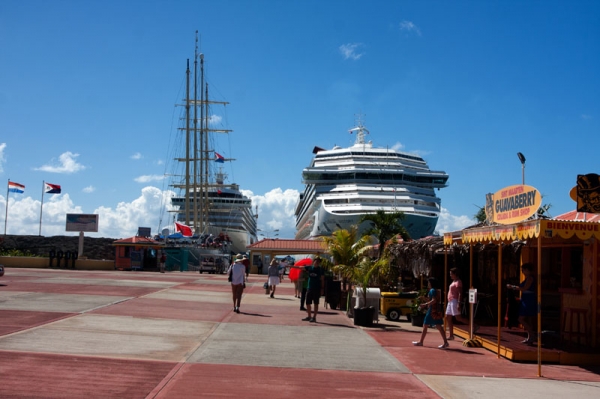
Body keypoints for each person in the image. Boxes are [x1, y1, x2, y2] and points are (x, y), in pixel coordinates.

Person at [413, 277, 449, 349]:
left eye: (429, 283)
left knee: (426, 325)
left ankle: (421, 342)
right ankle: (445, 342)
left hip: (432, 310)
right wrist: (424, 299)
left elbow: (434, 300)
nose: (428, 284)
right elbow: (433, 300)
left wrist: (425, 304)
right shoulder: (435, 290)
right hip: (436, 310)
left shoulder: (432, 290)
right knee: (438, 326)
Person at [507, 263, 536, 344]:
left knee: (521, 318)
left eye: (523, 270)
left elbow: (524, 288)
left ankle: (532, 334)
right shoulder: (527, 278)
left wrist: (512, 287)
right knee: (528, 319)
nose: (522, 272)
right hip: (526, 298)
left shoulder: (530, 278)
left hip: (528, 299)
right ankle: (530, 337)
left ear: (527, 270)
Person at [292, 257, 324, 323]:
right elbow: (300, 267)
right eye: (316, 261)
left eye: (318, 262)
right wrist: (291, 266)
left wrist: (322, 288)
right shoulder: (310, 268)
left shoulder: (320, 270)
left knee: (316, 303)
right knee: (308, 303)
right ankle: (309, 316)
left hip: (317, 288)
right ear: (313, 262)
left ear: (319, 263)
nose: (316, 263)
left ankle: (314, 317)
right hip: (309, 288)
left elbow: (322, 279)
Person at [445, 268, 472, 340]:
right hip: (450, 300)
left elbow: (460, 293)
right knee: (448, 317)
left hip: (454, 300)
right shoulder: (453, 281)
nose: (450, 275)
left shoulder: (458, 282)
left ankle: (472, 325)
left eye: (451, 274)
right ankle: (451, 335)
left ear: (455, 274)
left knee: (458, 318)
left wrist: (459, 303)